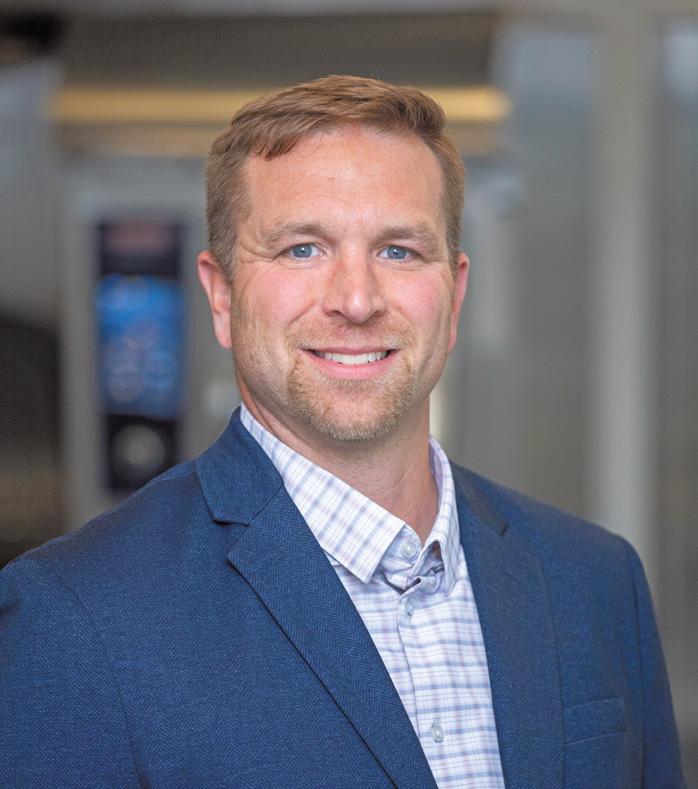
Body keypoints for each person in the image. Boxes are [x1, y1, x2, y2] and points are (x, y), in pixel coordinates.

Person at [0, 76, 684, 789]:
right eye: (302, 249)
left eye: (399, 250)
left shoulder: (595, 581)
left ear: (454, 296)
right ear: (223, 295)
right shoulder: (73, 620)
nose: (356, 300)